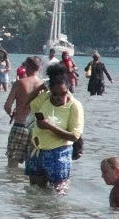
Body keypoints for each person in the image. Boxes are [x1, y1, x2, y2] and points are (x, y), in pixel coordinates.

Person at [25, 65, 84, 193]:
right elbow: (27, 103)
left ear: (68, 89)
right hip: (37, 152)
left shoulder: (74, 106)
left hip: (59, 154)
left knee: (58, 194)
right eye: (55, 94)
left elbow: (74, 136)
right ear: (50, 90)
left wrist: (49, 127)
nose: (59, 97)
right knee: (34, 192)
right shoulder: (44, 99)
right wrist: (41, 86)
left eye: (63, 93)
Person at [3, 57, 44, 168]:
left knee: (12, 165)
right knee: (31, 166)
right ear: (40, 68)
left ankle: (12, 184)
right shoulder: (44, 85)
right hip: (36, 129)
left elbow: (7, 106)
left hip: (19, 126)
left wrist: (12, 114)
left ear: (26, 67)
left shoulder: (19, 83)